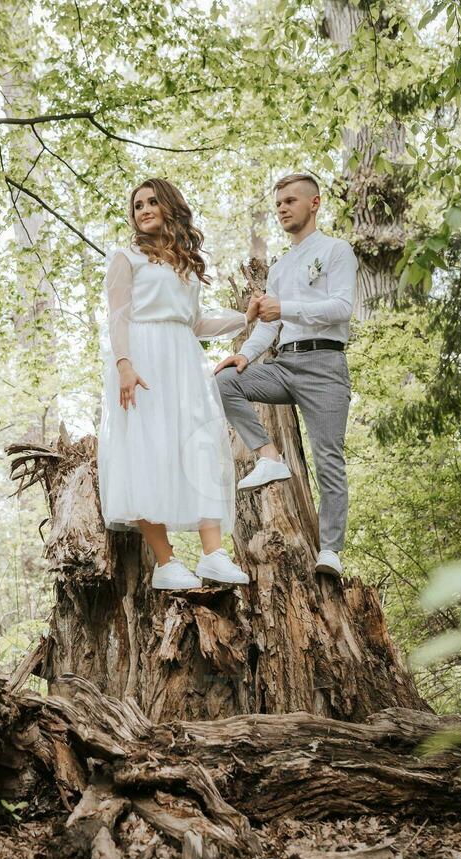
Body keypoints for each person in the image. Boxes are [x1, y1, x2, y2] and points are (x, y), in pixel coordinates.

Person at [98, 178, 258, 590]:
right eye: (137, 205)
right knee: (146, 453)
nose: (144, 209)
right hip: (143, 359)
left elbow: (197, 323)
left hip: (184, 359)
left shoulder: (183, 263)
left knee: (198, 445)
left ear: (170, 207)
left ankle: (213, 554)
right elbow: (118, 317)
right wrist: (124, 365)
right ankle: (166, 562)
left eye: (152, 202)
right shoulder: (126, 258)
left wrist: (245, 319)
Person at [214, 173, 356, 578]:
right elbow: (268, 325)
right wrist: (243, 355)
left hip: (325, 368)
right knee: (224, 382)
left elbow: (342, 307)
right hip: (283, 365)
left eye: (291, 201)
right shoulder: (279, 267)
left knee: (329, 459)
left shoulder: (336, 250)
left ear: (315, 203)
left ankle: (330, 551)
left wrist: (285, 308)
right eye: (278, 203)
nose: (282, 209)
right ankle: (270, 457)